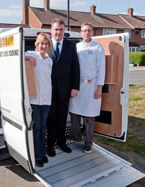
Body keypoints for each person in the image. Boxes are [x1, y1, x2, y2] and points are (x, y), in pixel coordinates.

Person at [69, 22, 106, 153]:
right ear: (81, 32)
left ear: (92, 32)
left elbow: (102, 69)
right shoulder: (77, 47)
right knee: (74, 113)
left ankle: (88, 143)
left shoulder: (98, 47)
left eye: (89, 30)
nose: (86, 33)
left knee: (90, 117)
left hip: (92, 85)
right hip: (78, 85)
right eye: (84, 31)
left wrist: (99, 88)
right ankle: (76, 136)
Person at [47, 18, 80, 157]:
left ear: (64, 30)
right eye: (56, 29)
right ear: (51, 30)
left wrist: (75, 87)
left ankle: (62, 142)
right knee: (51, 118)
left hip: (65, 89)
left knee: (62, 118)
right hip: (48, 90)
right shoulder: (45, 44)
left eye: (61, 29)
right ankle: (50, 145)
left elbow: (75, 67)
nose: (58, 32)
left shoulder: (71, 45)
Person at [25, 33, 53, 167]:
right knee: (37, 127)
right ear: (37, 44)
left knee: (43, 128)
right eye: (41, 43)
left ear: (48, 46)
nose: (43, 46)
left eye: (46, 44)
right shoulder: (32, 54)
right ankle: (37, 156)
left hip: (47, 99)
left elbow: (48, 80)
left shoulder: (49, 60)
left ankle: (43, 153)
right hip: (35, 100)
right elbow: (18, 56)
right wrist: (29, 57)